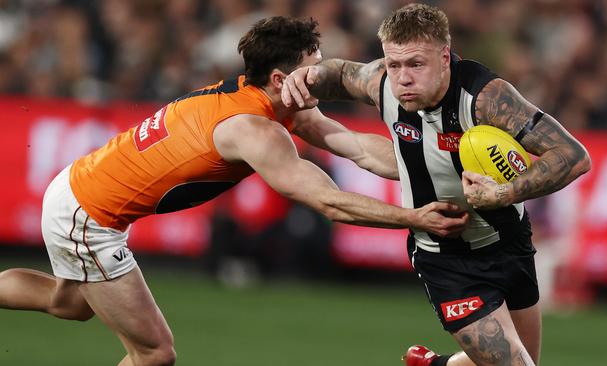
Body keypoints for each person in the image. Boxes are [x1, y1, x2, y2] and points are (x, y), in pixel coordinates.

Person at [0, 16, 470, 366]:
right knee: (155, 354)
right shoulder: (252, 129)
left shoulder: (268, 97)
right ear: (283, 79)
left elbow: (355, 148)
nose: (324, 76)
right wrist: (417, 217)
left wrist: (444, 164)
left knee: (70, 304)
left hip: (76, 188)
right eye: (315, 69)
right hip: (88, 217)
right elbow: (327, 200)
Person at [281, 4, 591, 366]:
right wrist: (306, 76)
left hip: (510, 243)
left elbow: (573, 155)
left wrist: (502, 193)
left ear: (445, 57)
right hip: (446, 259)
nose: (403, 78)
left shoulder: (485, 98)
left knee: (522, 359)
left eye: (416, 64)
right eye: (394, 65)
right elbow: (340, 72)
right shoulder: (383, 83)